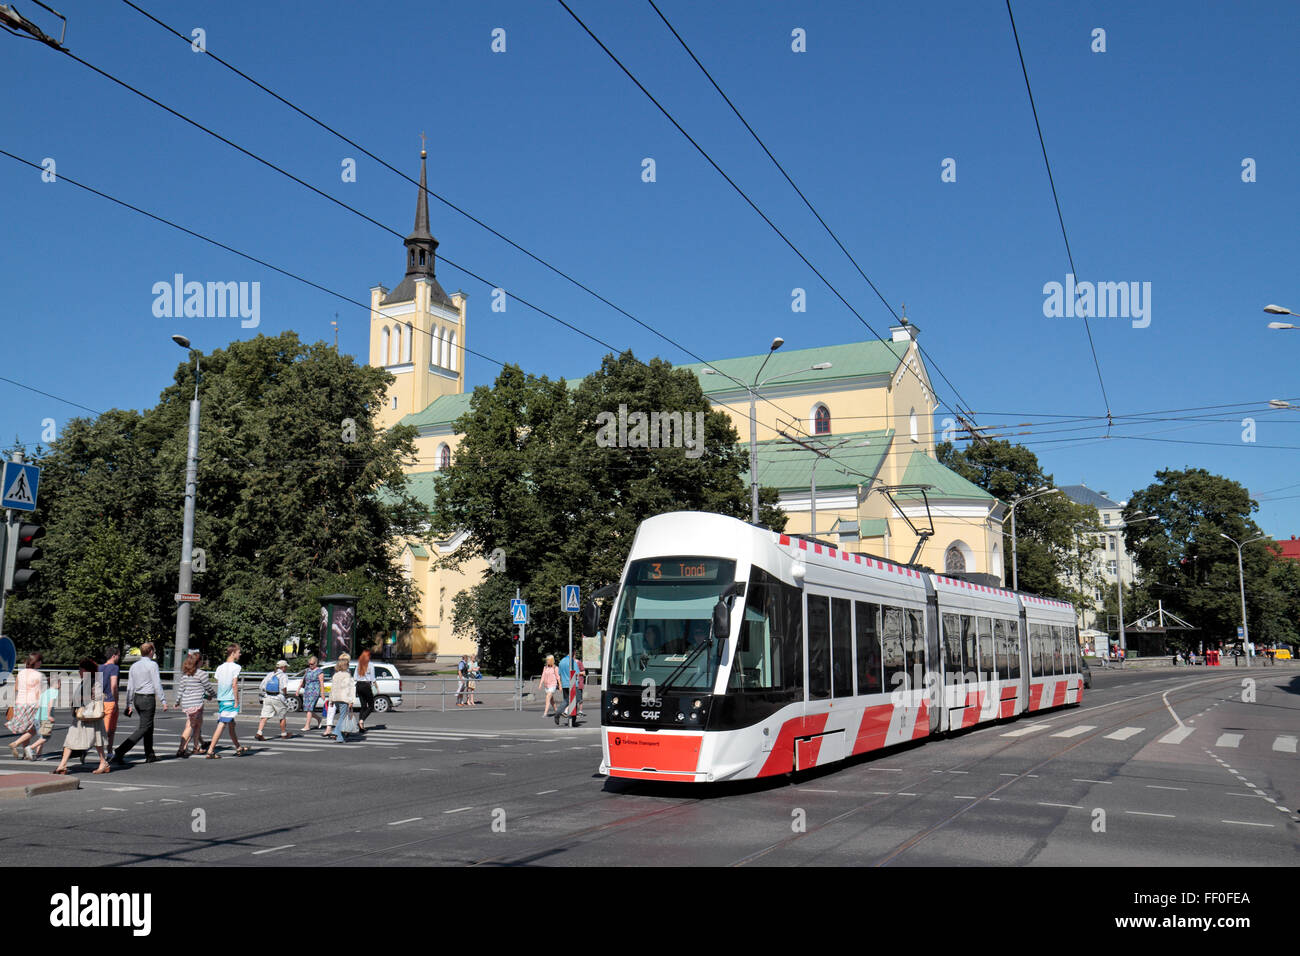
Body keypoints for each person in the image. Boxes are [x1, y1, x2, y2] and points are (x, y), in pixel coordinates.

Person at [112, 643, 169, 765]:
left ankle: (150, 754)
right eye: (153, 650)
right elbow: (156, 683)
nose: (153, 653)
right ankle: (120, 751)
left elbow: (130, 686)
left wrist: (129, 703)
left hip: (137, 698)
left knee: (149, 727)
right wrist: (163, 700)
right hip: (147, 699)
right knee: (144, 728)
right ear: (150, 652)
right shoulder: (153, 665)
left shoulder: (134, 666)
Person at [52, 658, 111, 775]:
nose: (79, 672)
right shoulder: (86, 681)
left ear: (87, 670)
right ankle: (62, 765)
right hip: (82, 717)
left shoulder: (93, 681)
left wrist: (79, 699)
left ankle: (103, 762)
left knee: (97, 740)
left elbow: (97, 697)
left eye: (81, 670)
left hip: (89, 716)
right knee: (71, 739)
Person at [206, 644, 248, 758]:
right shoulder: (236, 667)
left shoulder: (220, 667)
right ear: (233, 653)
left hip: (221, 699)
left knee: (231, 724)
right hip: (229, 699)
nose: (240, 654)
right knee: (222, 724)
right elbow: (234, 684)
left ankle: (238, 747)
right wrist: (237, 700)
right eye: (238, 652)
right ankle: (210, 750)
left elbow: (219, 682)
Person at [6, 653, 45, 761]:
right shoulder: (38, 675)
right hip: (32, 703)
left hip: (19, 703)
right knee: (34, 730)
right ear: (36, 662)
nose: (41, 663)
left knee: (25, 729)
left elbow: (16, 688)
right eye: (40, 661)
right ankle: (15, 743)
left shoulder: (21, 673)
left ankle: (26, 753)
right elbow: (39, 692)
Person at [173, 652, 212, 757]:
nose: (203, 662)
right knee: (191, 726)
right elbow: (208, 687)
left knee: (195, 725)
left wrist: (177, 702)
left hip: (187, 704)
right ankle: (182, 749)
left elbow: (181, 689)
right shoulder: (201, 674)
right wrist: (214, 695)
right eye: (202, 660)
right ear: (198, 662)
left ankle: (195, 747)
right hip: (196, 704)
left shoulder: (186, 674)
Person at [255, 660, 292, 740]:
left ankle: (259, 732)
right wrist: (285, 694)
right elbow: (284, 687)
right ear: (283, 667)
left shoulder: (270, 674)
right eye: (285, 667)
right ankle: (283, 734)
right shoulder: (283, 675)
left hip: (267, 697)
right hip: (278, 698)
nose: (286, 669)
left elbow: (261, 686)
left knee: (264, 716)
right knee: (282, 716)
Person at [27, 678, 60, 760]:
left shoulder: (45, 692)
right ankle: (30, 748)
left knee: (41, 737)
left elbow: (37, 705)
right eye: (60, 683)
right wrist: (49, 715)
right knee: (46, 737)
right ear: (55, 684)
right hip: (45, 718)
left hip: (38, 717)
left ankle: (38, 755)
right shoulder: (54, 692)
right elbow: (50, 704)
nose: (60, 685)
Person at [327, 654, 357, 743]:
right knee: (342, 717)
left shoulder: (335, 675)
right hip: (344, 698)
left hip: (336, 698)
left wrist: (331, 699)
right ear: (346, 666)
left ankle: (340, 737)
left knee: (341, 717)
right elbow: (351, 688)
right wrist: (351, 700)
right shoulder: (347, 676)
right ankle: (337, 733)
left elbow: (332, 688)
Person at [100, 649, 122, 753]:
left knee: (104, 729)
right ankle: (107, 752)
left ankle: (109, 751)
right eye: (118, 655)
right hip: (110, 701)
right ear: (113, 656)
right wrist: (116, 702)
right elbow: (114, 685)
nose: (119, 657)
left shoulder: (99, 667)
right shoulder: (114, 668)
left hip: (100, 701)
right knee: (110, 730)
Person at [299, 656, 324, 732]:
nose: (310, 665)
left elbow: (321, 683)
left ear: (316, 663)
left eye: (312, 664)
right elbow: (303, 680)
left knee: (309, 708)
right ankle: (318, 719)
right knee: (306, 709)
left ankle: (307, 726)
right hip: (307, 691)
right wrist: (298, 689)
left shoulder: (319, 671)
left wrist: (322, 693)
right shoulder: (307, 670)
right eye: (309, 664)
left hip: (314, 691)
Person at [354, 650, 376, 731]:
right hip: (366, 685)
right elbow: (373, 678)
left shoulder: (358, 664)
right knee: (371, 706)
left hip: (358, 685)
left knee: (363, 706)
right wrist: (375, 686)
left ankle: (361, 727)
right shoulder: (370, 665)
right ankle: (361, 720)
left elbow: (355, 677)